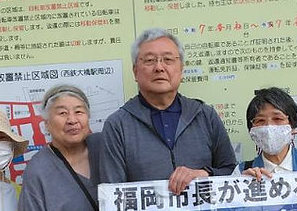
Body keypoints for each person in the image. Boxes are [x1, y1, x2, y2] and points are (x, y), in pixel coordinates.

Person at [99, 28, 236, 193]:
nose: (159, 67)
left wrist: (204, 174)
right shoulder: (118, 125)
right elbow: (112, 195)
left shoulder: (205, 115)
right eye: (150, 60)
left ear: (181, 69)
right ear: (135, 71)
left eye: (168, 59)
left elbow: (232, 172)